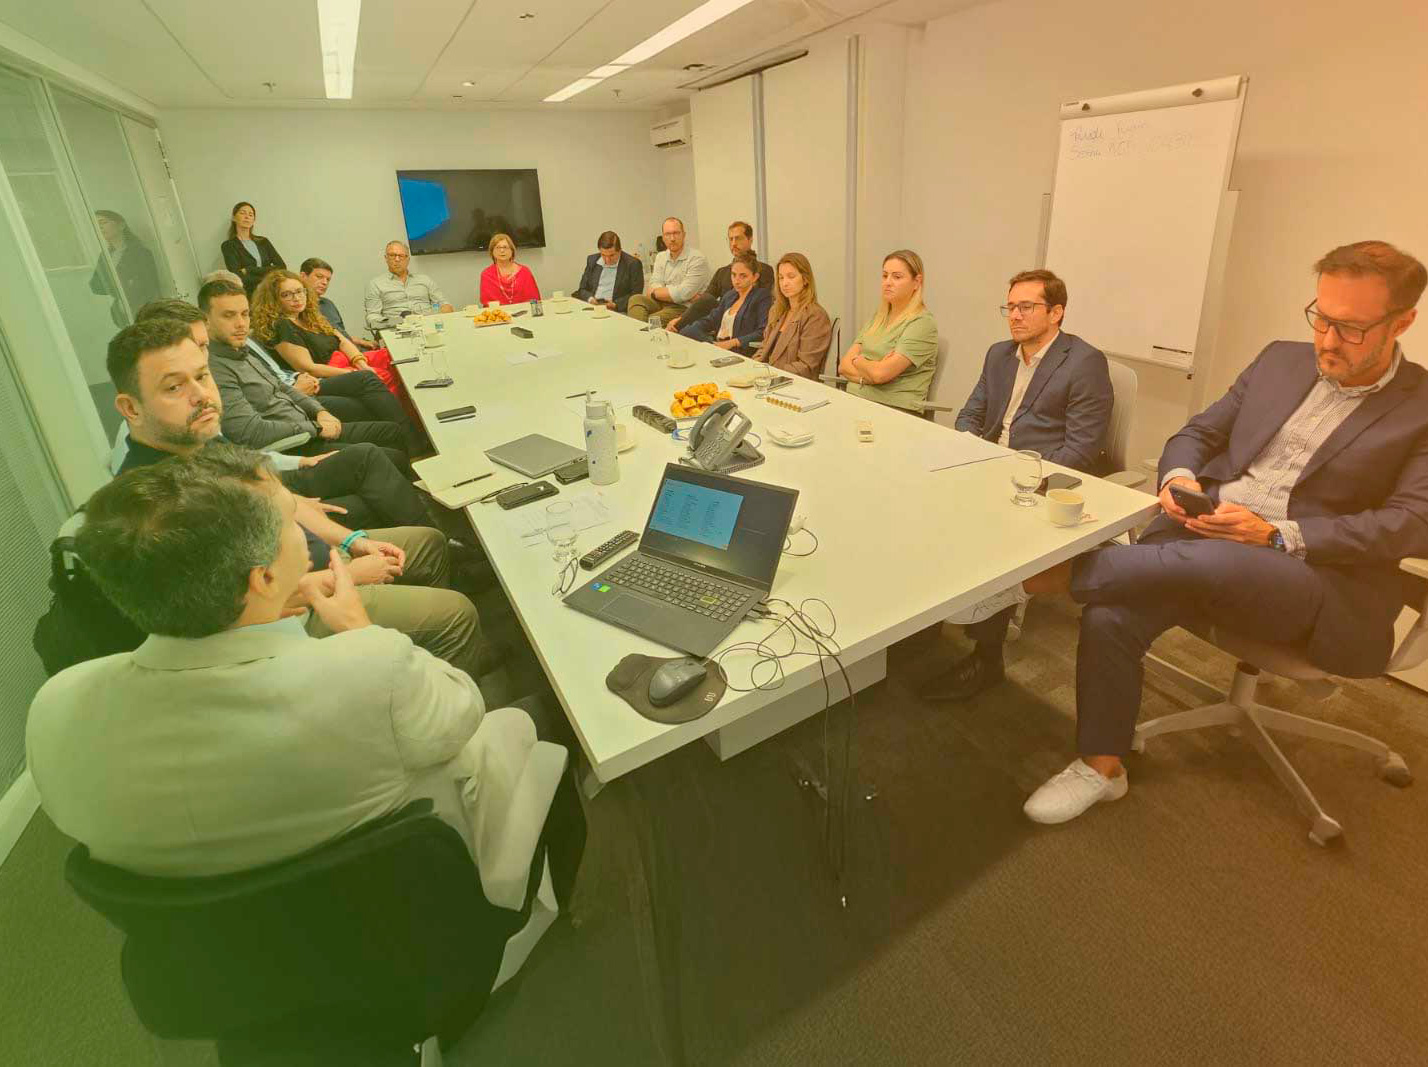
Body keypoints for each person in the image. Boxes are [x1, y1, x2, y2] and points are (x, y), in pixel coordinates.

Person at [25, 446, 572, 977]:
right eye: (290, 524)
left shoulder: (54, 711)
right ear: (261, 579)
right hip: (405, 927)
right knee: (537, 714)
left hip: (224, 966)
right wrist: (361, 630)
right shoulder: (368, 669)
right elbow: (464, 712)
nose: (302, 534)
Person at [968, 241, 1428, 825]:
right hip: (1201, 534)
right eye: (1322, 318)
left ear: (1403, 322)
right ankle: (1101, 768)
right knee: (1112, 612)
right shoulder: (1281, 361)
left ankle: (1033, 577)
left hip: (1311, 575)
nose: (1328, 341)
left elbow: (1413, 522)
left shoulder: (1420, 405)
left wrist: (1276, 534)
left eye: (1352, 329)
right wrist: (1180, 478)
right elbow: (1200, 432)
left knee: (1222, 560)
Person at [104, 323, 493, 678]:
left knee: (429, 542)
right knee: (456, 616)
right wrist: (351, 573)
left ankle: (422, 656)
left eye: (203, 376)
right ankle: (431, 697)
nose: (201, 396)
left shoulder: (199, 438)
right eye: (174, 387)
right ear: (131, 408)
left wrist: (352, 541)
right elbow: (236, 614)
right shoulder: (158, 502)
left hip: (316, 562)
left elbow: (283, 498)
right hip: (294, 612)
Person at [920, 269, 1115, 702]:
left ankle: (987, 660)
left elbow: (1082, 451)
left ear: (1057, 312)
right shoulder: (999, 354)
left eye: (1027, 307)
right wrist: (969, 451)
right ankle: (928, 618)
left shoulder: (1084, 363)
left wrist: (1021, 480)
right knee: (922, 503)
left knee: (988, 537)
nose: (1015, 316)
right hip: (988, 466)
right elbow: (971, 413)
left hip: (1039, 480)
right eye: (1010, 306)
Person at [131, 298, 428, 532]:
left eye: (203, 346)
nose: (240, 324)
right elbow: (248, 436)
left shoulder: (234, 356)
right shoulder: (157, 452)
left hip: (277, 461)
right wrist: (309, 438)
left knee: (387, 447)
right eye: (173, 386)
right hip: (276, 471)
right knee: (370, 468)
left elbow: (236, 450)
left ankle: (429, 522)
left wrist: (317, 419)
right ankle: (434, 541)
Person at [201, 279, 415, 469]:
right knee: (389, 454)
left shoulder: (243, 350)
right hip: (297, 435)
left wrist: (319, 410)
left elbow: (280, 385)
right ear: (206, 320)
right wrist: (316, 425)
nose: (240, 323)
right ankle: (416, 450)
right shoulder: (217, 366)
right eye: (229, 316)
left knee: (390, 428)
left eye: (245, 314)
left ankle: (419, 443)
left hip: (302, 413)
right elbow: (251, 430)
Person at [252, 270, 410, 408]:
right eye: (287, 294)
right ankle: (409, 417)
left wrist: (361, 364)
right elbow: (309, 368)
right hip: (328, 372)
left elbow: (342, 341)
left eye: (300, 291)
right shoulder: (281, 325)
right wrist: (355, 372)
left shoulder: (311, 316)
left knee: (392, 357)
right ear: (274, 300)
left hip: (347, 361)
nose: (297, 298)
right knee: (383, 375)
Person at [838, 250, 939, 414]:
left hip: (894, 410)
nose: (888, 282)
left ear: (916, 282)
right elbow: (843, 366)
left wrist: (859, 361)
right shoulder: (878, 318)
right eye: (885, 276)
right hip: (856, 402)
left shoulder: (922, 323)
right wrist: (870, 373)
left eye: (897, 277)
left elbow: (879, 374)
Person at [666, 220, 773, 333]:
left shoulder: (763, 270)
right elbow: (706, 299)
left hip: (745, 318)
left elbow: (760, 301)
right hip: (719, 317)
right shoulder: (722, 272)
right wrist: (682, 318)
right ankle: (678, 327)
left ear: (750, 240)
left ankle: (676, 328)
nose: (733, 243)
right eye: (730, 239)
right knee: (697, 316)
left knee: (693, 323)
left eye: (738, 238)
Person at [754, 252, 833, 380]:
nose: (785, 283)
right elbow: (764, 348)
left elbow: (805, 366)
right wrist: (752, 367)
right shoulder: (777, 310)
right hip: (766, 379)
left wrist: (769, 374)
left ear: (805, 279)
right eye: (781, 278)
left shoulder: (815, 316)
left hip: (792, 384)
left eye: (791, 277)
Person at [678, 253, 770, 355]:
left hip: (737, 349)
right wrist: (696, 328)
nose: (737, 281)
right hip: (717, 344)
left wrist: (732, 343)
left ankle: (713, 349)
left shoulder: (761, 296)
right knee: (687, 331)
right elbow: (711, 319)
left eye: (743, 276)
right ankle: (712, 348)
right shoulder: (729, 296)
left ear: (755, 277)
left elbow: (763, 331)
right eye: (734, 275)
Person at [625, 217, 710, 326]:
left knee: (652, 320)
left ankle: (640, 336)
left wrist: (655, 293)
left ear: (684, 235)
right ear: (663, 237)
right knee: (635, 299)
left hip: (684, 308)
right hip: (661, 303)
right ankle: (641, 335)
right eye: (668, 234)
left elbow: (684, 292)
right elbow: (654, 283)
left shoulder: (697, 258)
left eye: (676, 233)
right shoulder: (661, 256)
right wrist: (672, 294)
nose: (672, 238)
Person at [89, 210, 161, 327]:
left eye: (103, 222)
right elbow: (95, 285)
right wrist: (123, 286)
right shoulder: (105, 256)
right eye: (96, 225)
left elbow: (150, 286)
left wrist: (125, 287)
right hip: (120, 314)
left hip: (143, 312)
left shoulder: (140, 253)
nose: (100, 227)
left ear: (121, 225)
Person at [365, 241, 453, 329]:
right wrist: (394, 322)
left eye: (401, 256)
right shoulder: (376, 284)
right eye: (392, 255)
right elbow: (372, 317)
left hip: (427, 326)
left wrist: (433, 316)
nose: (397, 259)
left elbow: (445, 305)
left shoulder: (425, 280)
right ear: (386, 258)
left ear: (408, 259)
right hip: (396, 329)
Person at [300, 257, 377, 350]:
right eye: (319, 277)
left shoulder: (328, 304)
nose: (324, 282)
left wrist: (362, 342)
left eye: (328, 279)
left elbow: (341, 334)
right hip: (337, 356)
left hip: (353, 349)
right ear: (303, 276)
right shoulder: (298, 307)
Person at [221, 201, 285, 295]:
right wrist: (266, 276)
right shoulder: (228, 245)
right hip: (250, 293)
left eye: (251, 215)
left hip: (272, 290)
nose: (247, 217)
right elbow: (236, 276)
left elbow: (281, 266)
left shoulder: (263, 241)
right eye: (242, 213)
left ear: (253, 220)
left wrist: (249, 270)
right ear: (234, 218)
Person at [572, 231, 643, 313]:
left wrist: (615, 304)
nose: (607, 260)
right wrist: (591, 299)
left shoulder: (632, 264)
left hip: (617, 310)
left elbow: (636, 295)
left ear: (619, 250)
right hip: (592, 307)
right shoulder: (592, 260)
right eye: (603, 255)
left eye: (612, 255)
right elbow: (582, 289)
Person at [479, 233, 541, 306]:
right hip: (499, 315)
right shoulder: (487, 274)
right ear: (492, 251)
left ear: (512, 250)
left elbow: (534, 300)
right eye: (498, 247)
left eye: (505, 247)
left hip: (524, 313)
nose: (502, 250)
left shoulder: (524, 271)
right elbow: (487, 304)